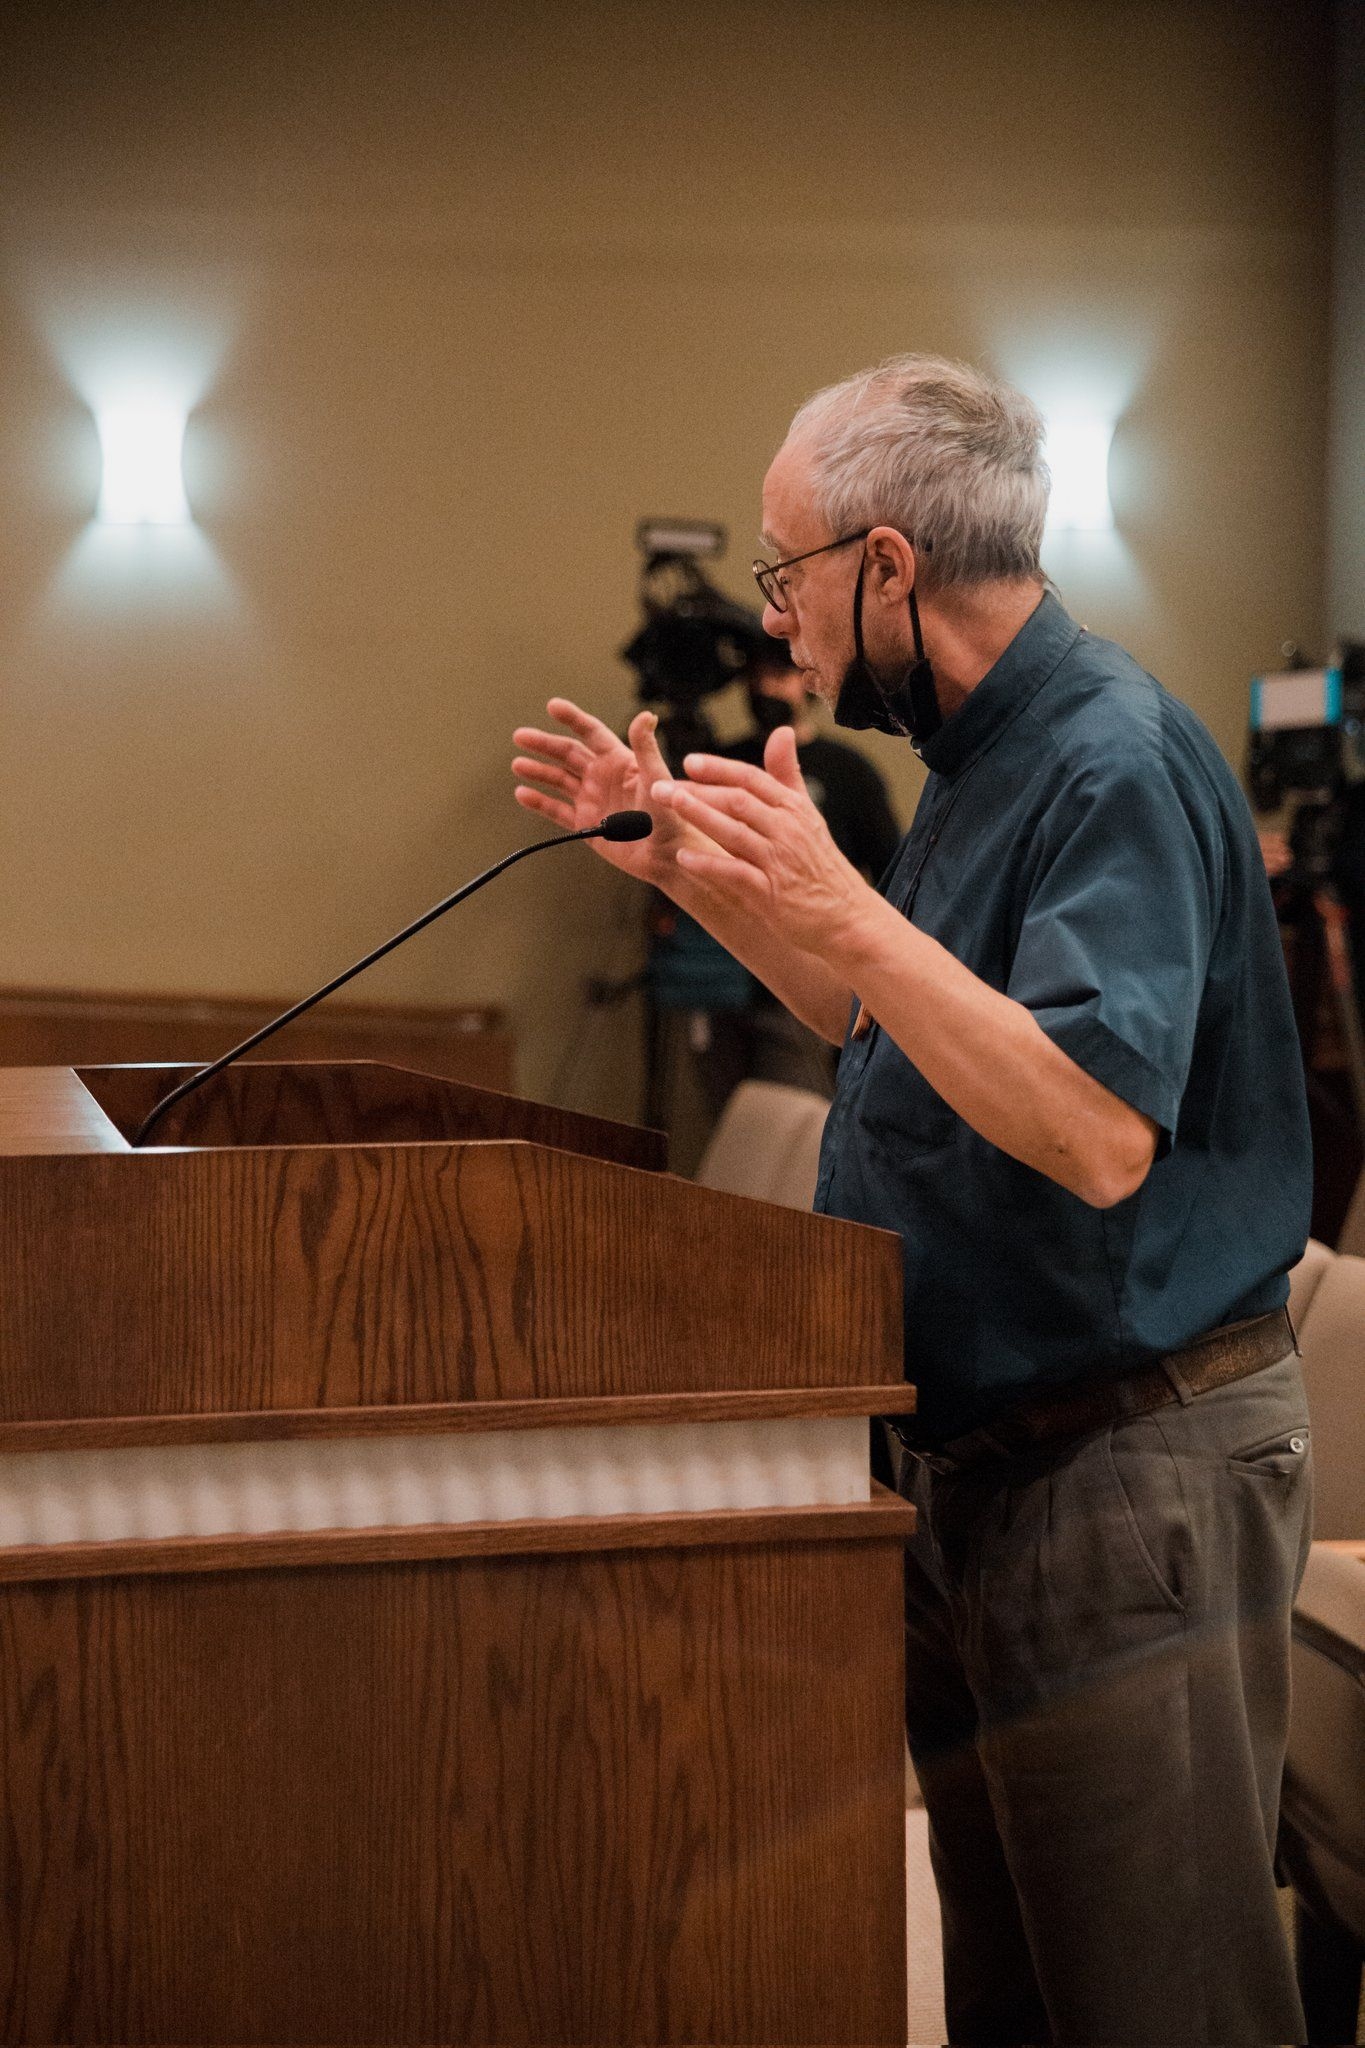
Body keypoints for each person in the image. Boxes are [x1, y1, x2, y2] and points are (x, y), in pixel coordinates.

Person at [511, 353, 1313, 2046]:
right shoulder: (983, 750)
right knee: (1020, 1999)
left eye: (786, 570)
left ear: (889, 566)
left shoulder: (1107, 759)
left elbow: (1096, 1127)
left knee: (1159, 2003)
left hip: (1127, 1473)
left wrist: (849, 907)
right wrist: (698, 876)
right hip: (989, 1469)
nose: (774, 618)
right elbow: (885, 1020)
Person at [682, 637, 902, 1115]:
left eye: (778, 677)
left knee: (791, 1116)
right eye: (755, 678)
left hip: (803, 979)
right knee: (726, 1122)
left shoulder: (848, 772)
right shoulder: (720, 761)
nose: (765, 689)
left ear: (803, 681)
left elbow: (893, 874)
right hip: (718, 974)